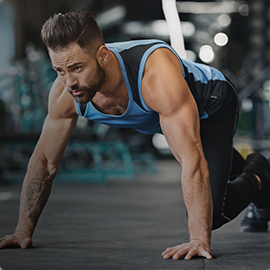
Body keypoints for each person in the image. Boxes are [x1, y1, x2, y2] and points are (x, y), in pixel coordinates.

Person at [1, 10, 270, 260]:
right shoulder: (65, 93)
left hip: (211, 104)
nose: (69, 82)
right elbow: (45, 162)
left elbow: (191, 160)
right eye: (59, 70)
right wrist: (23, 230)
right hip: (165, 119)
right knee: (220, 169)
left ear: (103, 55)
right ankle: (262, 189)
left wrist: (198, 239)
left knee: (211, 212)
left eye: (77, 68)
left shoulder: (154, 74)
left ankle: (258, 173)